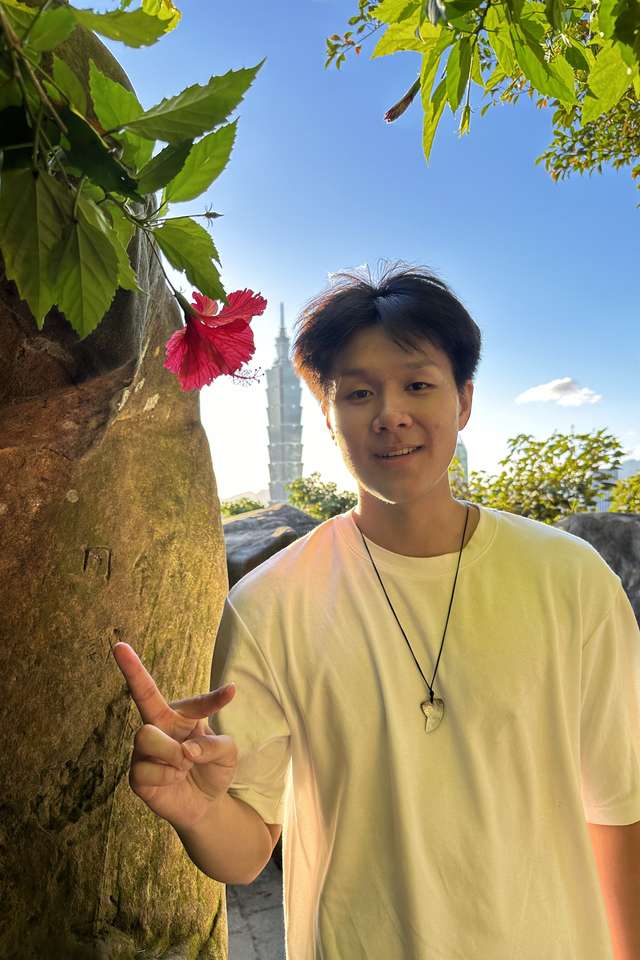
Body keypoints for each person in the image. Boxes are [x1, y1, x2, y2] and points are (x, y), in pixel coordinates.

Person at [113, 262, 640, 959]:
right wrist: (198, 809)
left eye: (418, 384)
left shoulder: (571, 581)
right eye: (358, 392)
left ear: (465, 400)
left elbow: (619, 808)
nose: (390, 413)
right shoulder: (271, 605)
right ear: (326, 414)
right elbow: (244, 855)